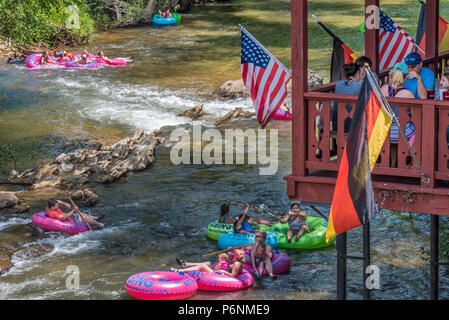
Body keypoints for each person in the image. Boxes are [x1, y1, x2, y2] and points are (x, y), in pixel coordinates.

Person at [381, 62, 416, 167]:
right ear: (405, 77)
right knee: (417, 129)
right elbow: (414, 116)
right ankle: (408, 161)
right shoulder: (408, 94)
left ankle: (392, 163)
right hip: (401, 133)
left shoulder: (383, 89)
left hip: (385, 130)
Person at [331, 63, 363, 132]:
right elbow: (374, 77)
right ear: (357, 73)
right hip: (355, 129)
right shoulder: (360, 85)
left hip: (337, 127)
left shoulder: (339, 84)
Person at [173, 249, 245, 277]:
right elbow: (229, 255)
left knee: (203, 267)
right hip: (220, 271)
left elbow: (233, 275)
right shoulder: (235, 261)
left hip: (221, 274)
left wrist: (223, 271)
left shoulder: (237, 264)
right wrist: (229, 249)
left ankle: (179, 270)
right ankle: (186, 264)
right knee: (208, 263)